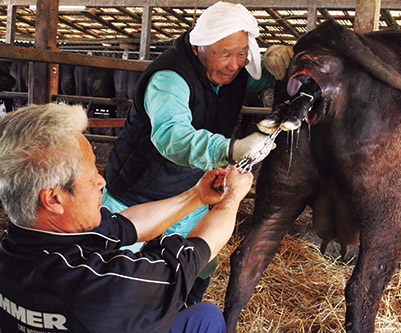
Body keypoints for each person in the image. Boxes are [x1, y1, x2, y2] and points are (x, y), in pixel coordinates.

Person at [0, 103, 253, 332]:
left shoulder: (18, 243)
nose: (102, 181)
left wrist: (196, 195)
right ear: (54, 199)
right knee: (207, 318)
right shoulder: (101, 287)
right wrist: (231, 199)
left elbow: (125, 225)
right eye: (92, 177)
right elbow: (191, 255)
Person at [102, 1, 293, 303]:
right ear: (198, 48)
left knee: (195, 269)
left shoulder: (236, 70)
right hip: (138, 195)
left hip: (192, 193)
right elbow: (171, 136)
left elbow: (269, 74)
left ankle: (184, 313)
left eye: (242, 53)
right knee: (118, 278)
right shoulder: (169, 78)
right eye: (224, 54)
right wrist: (229, 149)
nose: (234, 63)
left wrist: (281, 60)